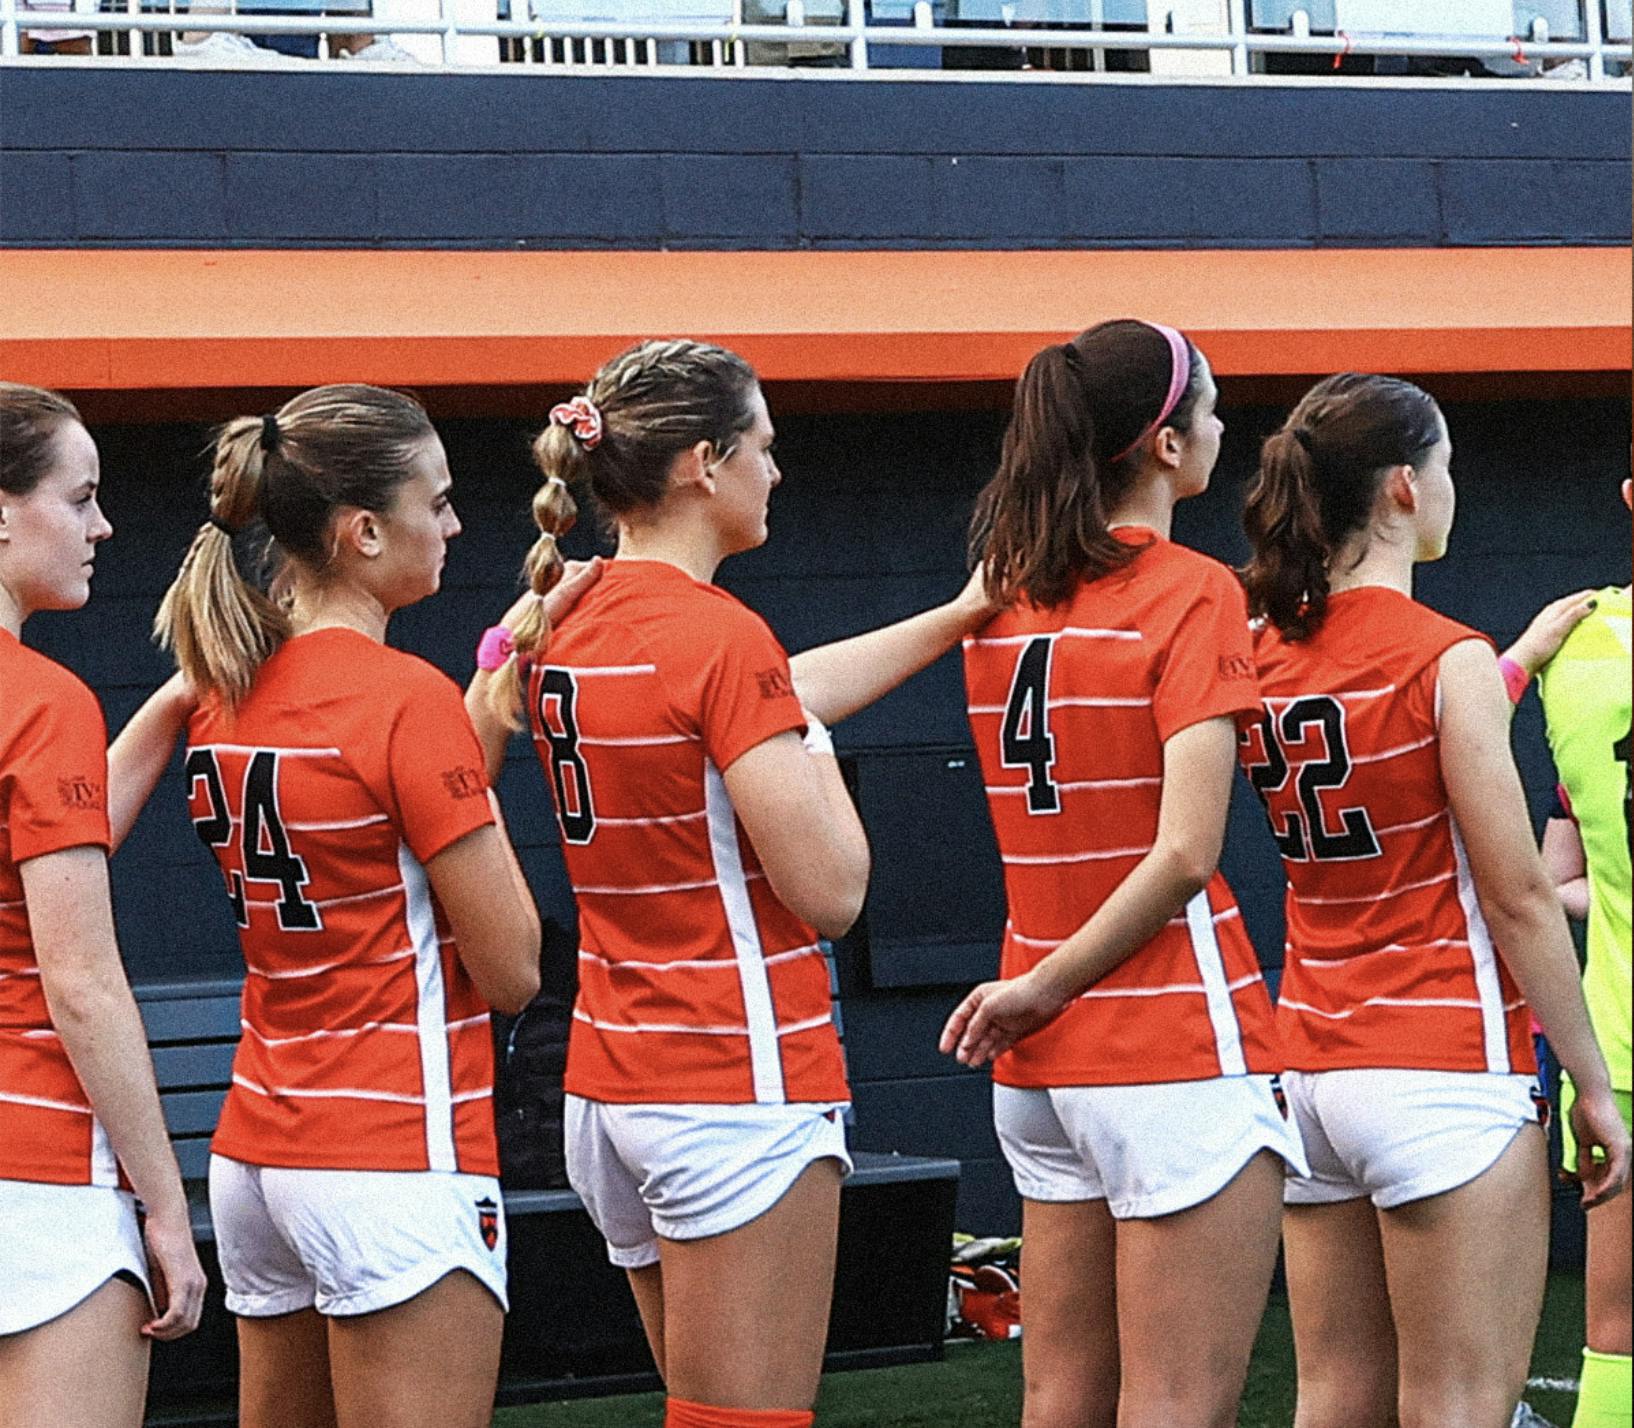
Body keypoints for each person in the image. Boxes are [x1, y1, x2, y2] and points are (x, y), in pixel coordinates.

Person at [467, 338, 995, 1428]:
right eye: (762, 445)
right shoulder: (718, 634)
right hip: (733, 1078)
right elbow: (833, 891)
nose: (776, 470)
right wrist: (810, 745)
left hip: (612, 1083)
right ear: (702, 463)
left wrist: (958, 615)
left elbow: (756, 696)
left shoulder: (564, 612)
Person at [144, 384, 546, 1428]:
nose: (455, 525)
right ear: (364, 532)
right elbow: (513, 969)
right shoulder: (404, 695)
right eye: (438, 502)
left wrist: (485, 689)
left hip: (258, 1150)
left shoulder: (223, 689)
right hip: (392, 1148)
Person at [1237, 372, 1629, 1428]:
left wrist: (1513, 663)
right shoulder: (1441, 655)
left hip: (1308, 1068)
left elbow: (1386, 739)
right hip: (1442, 1066)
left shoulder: (1259, 652)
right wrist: (1590, 1083)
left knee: (1333, 1398)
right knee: (1459, 1404)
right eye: (1446, 466)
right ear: (1403, 488)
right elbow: (1518, 897)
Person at [941, 319, 1306, 1428]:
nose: (1224, 428)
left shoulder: (1004, 596)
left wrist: (1037, 992)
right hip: (1169, 1040)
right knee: (1176, 1405)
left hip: (1039, 1063)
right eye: (1209, 409)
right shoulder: (1191, 589)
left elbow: (790, 693)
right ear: (1163, 444)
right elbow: (1187, 853)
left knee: (1059, 1397)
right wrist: (1046, 990)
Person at [0, 382, 207, 1428]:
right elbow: (79, 982)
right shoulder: (44, 702)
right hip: (34, 1168)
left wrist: (169, 707)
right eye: (80, 499)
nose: (103, 527)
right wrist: (165, 1205)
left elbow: (47, 839)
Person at [1520, 478, 1631, 1428]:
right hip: (1617, 1052)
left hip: (1619, 1052)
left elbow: (1559, 886)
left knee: (1615, 1335)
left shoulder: (1574, 645)